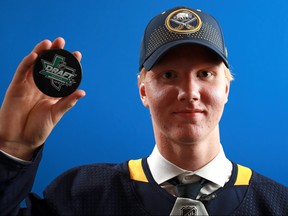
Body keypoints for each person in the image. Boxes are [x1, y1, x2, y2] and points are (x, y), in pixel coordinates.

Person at [0, 6, 287, 216]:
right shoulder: (79, 196)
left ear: (226, 89)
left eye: (205, 74)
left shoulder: (278, 203)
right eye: (168, 75)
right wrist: (12, 151)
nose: (189, 92)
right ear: (144, 92)